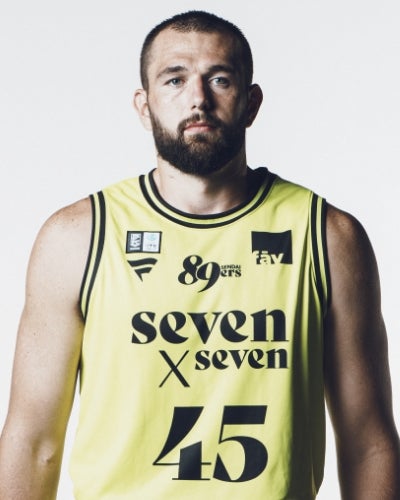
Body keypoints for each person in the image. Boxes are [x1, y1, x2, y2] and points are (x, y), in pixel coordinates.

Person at [0, 9, 399, 499]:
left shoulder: (328, 235)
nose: (198, 99)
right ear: (144, 105)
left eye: (220, 79)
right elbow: (33, 440)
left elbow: (368, 442)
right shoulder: (76, 237)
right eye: (175, 79)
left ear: (251, 103)